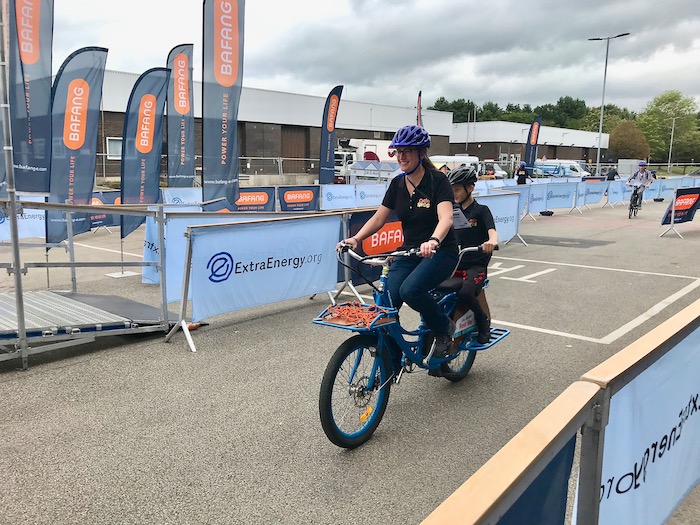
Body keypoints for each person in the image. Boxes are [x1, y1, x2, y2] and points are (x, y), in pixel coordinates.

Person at [338, 125, 459, 356]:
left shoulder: (437, 181)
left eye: (407, 151)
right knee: (386, 303)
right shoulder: (397, 184)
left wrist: (433, 240)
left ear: (421, 153)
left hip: (441, 251)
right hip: (409, 251)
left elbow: (446, 218)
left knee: (410, 290)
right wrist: (355, 238)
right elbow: (379, 218)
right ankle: (390, 357)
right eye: (398, 152)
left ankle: (444, 328)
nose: (401, 157)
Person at [448, 166, 498, 344]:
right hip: (454, 263)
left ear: (470, 188)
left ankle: (482, 321)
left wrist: (491, 241)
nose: (454, 193)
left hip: (475, 265)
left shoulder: (481, 210)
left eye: (457, 189)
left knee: (466, 293)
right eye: (451, 189)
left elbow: (492, 231)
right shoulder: (451, 211)